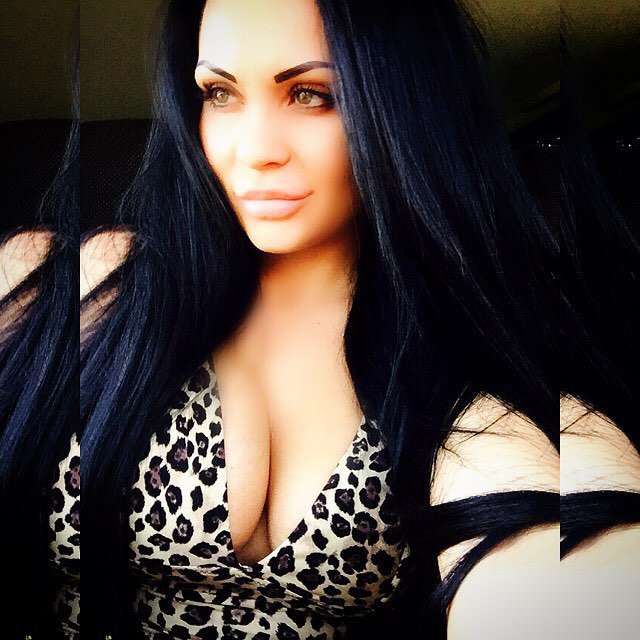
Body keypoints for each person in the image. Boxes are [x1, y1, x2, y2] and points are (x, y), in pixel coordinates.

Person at [80, 1, 559, 638]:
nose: (254, 152)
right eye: (220, 93)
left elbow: (547, 533)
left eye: (311, 95)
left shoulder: (463, 348)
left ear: (403, 107)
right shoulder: (91, 280)